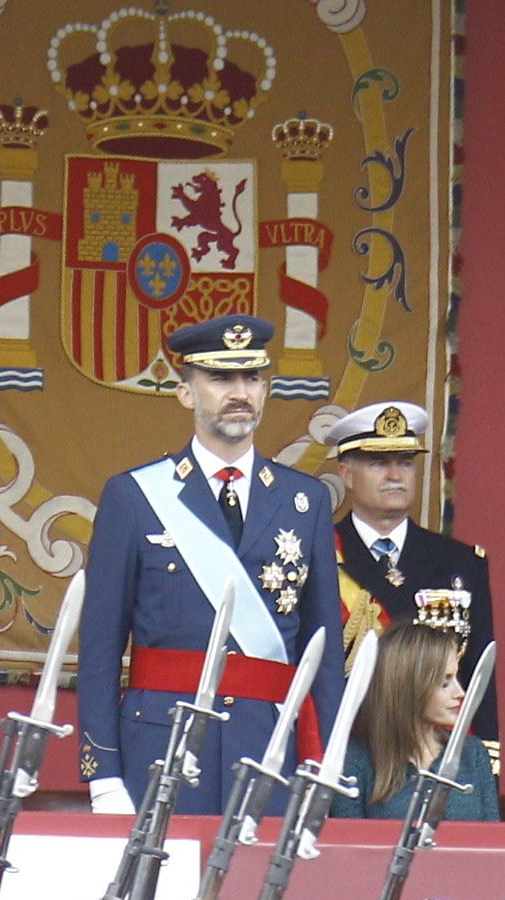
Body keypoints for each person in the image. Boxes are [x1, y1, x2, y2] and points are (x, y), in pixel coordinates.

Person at [76, 315, 346, 817]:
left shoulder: (304, 501)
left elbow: (324, 654)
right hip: (161, 750)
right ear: (184, 392)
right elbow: (99, 649)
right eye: (221, 379)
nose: (239, 392)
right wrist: (104, 772)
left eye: (252, 378)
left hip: (269, 749)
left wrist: (323, 770)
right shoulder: (135, 497)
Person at [328, 401, 499, 759]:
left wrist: (485, 764)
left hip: (436, 758)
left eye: (406, 462)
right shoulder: (321, 556)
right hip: (351, 751)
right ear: (346, 473)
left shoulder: (462, 564)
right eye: (379, 463)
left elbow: (479, 678)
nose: (396, 475)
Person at [339, 622, 499, 821]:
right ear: (409, 687)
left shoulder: (473, 753)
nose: (460, 693)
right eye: (445, 683)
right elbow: (347, 846)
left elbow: (491, 840)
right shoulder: (355, 760)